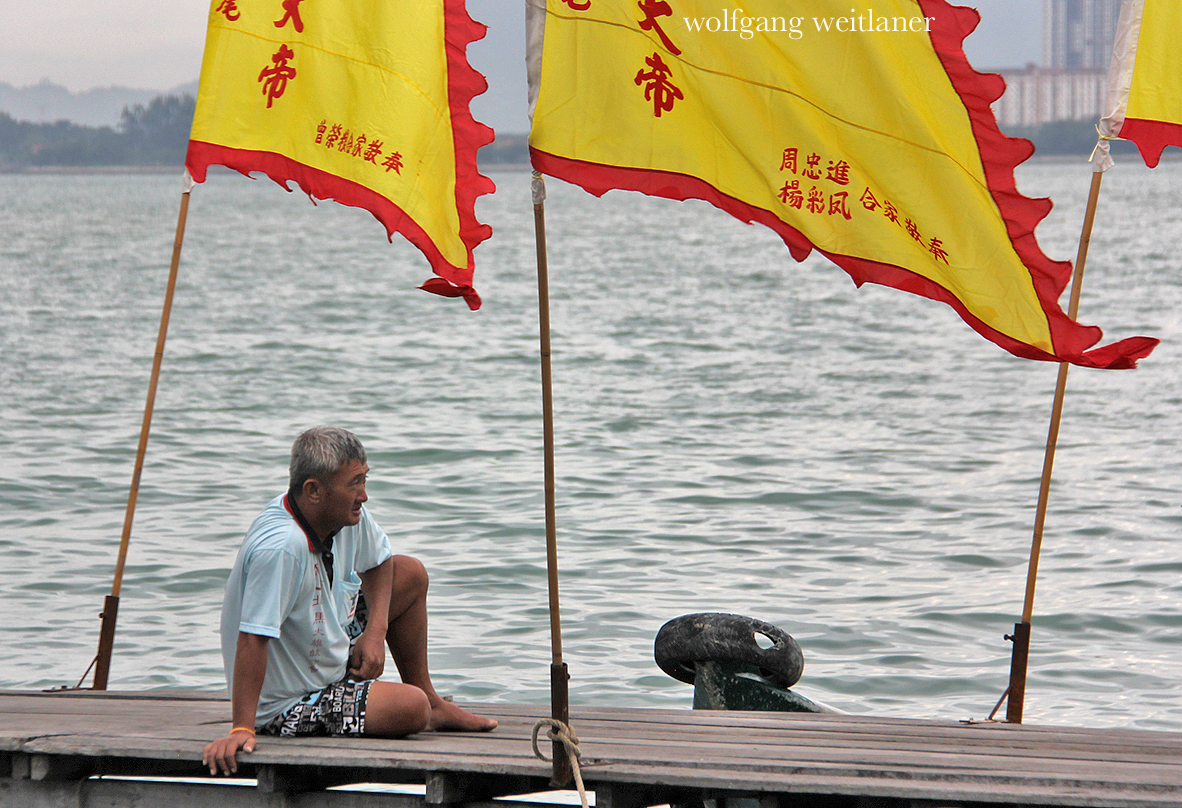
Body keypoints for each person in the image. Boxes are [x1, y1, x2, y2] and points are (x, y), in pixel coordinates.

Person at [203, 426, 496, 775]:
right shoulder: (282, 547)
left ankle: (432, 696)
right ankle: (425, 705)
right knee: (410, 709)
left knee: (410, 573)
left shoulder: (345, 514)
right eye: (354, 483)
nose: (364, 495)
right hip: (291, 702)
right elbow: (253, 637)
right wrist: (242, 728)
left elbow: (380, 562)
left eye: (365, 479)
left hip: (326, 650)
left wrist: (375, 631)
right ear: (313, 490)